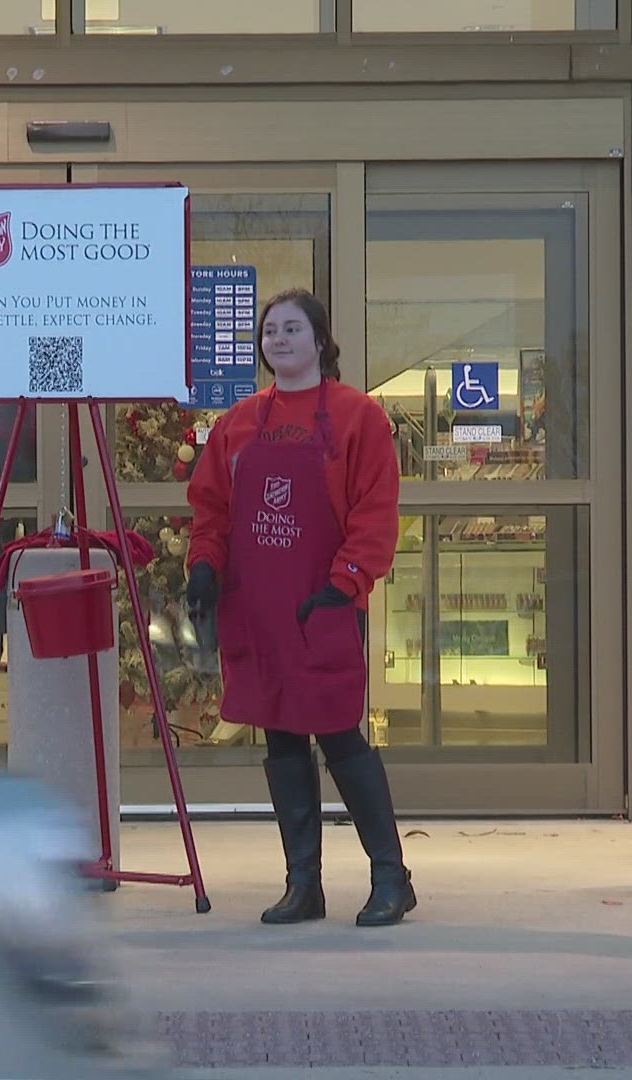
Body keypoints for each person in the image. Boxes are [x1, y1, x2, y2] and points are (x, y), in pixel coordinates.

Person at [183, 287, 412, 927]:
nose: (278, 339)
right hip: (258, 610)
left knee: (340, 737)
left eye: (291, 329)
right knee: (282, 739)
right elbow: (212, 511)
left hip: (324, 607)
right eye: (269, 331)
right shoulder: (236, 424)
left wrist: (344, 583)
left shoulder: (358, 417)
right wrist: (204, 568)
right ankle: (302, 885)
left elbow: (375, 511)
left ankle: (392, 877)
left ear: (319, 341)